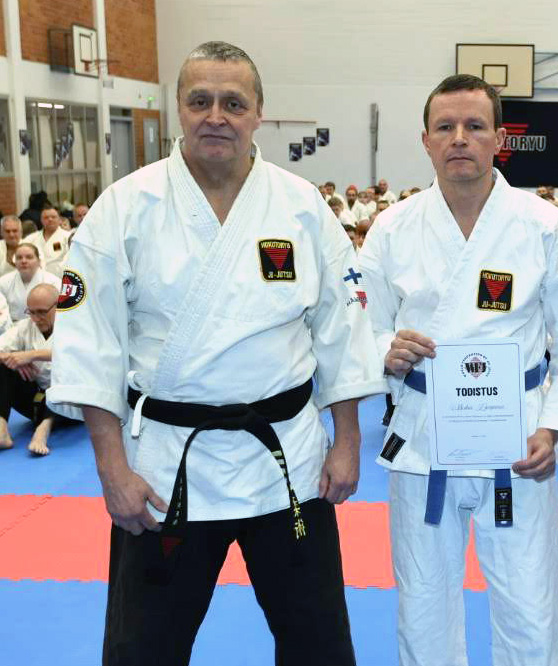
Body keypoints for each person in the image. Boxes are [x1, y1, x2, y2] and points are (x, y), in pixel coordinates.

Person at [46, 41, 386, 666]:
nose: (216, 116)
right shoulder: (126, 206)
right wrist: (112, 469)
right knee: (143, 649)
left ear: (259, 113)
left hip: (288, 463)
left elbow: (342, 327)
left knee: (319, 646)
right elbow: (89, 343)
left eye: (233, 103)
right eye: (200, 101)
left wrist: (348, 441)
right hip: (164, 467)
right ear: (179, 108)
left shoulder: (301, 206)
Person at [357, 73, 558, 666]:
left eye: (474, 126)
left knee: (531, 607)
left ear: (500, 139)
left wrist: (556, 426)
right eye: (445, 127)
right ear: (426, 140)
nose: (459, 138)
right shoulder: (392, 228)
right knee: (422, 607)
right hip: (423, 438)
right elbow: (358, 327)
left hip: (519, 438)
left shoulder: (544, 225)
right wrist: (385, 349)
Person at [0, 284, 65, 455]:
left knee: (71, 380)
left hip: (69, 408)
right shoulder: (25, 327)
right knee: (4, 365)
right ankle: (1, 429)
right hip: (36, 402)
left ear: (58, 306)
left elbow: (76, 355)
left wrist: (31, 355)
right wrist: (12, 358)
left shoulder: (74, 327)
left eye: (42, 312)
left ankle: (43, 430)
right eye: (31, 312)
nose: (36, 318)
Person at [0, 243, 60, 322]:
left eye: (29, 257)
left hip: (43, 325)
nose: (23, 261)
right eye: (19, 258)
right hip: (12, 326)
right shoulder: (3, 282)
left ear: (38, 261)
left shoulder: (53, 282)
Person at [24, 205, 69, 277]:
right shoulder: (31, 238)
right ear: (41, 220)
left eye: (53, 217)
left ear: (59, 219)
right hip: (37, 278)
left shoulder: (67, 237)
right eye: (46, 217)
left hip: (60, 278)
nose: (50, 219)